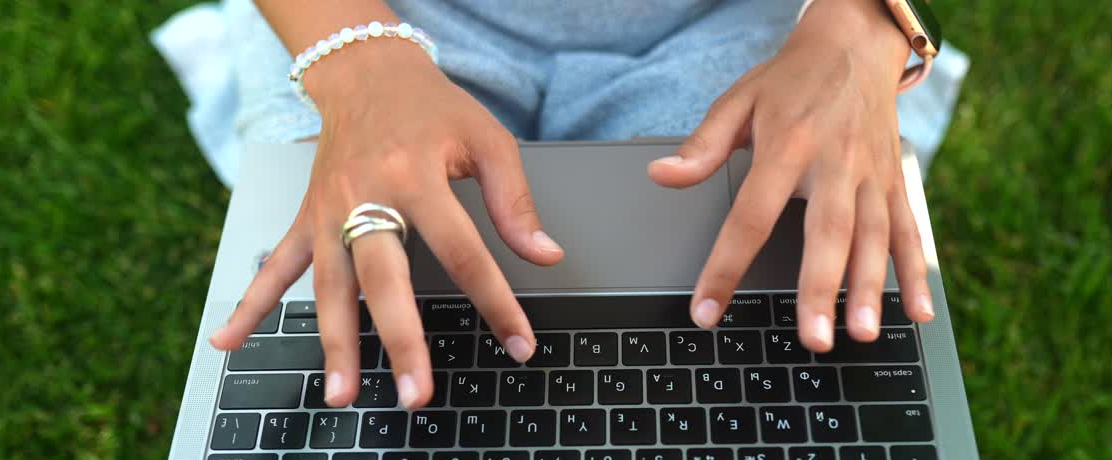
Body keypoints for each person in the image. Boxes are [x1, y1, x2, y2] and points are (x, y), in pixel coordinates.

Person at [205, 0, 939, 411]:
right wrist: (359, 69)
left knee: (728, 372)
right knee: (372, 332)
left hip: (728, 21)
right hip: (368, 18)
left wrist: (855, 32)